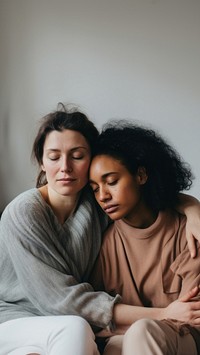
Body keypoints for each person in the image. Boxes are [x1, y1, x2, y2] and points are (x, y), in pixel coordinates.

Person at [0, 105, 200, 355]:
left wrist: (194, 209)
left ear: (91, 160)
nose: (65, 167)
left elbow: (146, 195)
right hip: (16, 320)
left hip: (72, 326)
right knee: (76, 329)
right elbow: (61, 301)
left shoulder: (96, 203)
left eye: (77, 155)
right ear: (41, 162)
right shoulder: (24, 213)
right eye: (53, 156)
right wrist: (163, 313)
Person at [89, 120, 200, 355]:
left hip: (184, 340)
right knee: (118, 346)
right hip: (128, 342)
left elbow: (191, 316)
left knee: (141, 333)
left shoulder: (189, 232)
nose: (103, 195)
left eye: (111, 182)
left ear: (140, 175)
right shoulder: (106, 243)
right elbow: (99, 322)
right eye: (95, 188)